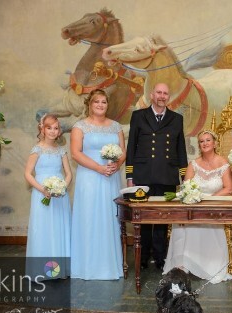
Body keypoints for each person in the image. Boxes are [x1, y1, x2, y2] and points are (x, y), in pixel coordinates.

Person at [126, 83, 188, 271]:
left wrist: (184, 178)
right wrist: (130, 176)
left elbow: (181, 149)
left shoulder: (176, 118)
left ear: (169, 97)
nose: (162, 96)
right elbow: (131, 147)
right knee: (144, 218)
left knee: (163, 219)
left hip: (167, 175)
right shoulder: (138, 116)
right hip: (143, 175)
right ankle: (143, 257)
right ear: (152, 95)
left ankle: (161, 258)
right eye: (159, 92)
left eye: (165, 93)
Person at [163, 130, 232, 284]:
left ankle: (208, 264)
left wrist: (208, 200)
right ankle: (184, 263)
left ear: (215, 143)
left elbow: (229, 189)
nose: (205, 143)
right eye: (201, 141)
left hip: (212, 208)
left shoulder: (223, 163)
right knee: (183, 221)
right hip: (194, 206)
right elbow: (186, 187)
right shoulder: (193, 164)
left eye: (208, 140)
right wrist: (193, 198)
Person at [70, 89, 126, 280]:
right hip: (90, 178)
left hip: (111, 178)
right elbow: (76, 153)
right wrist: (98, 168)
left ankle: (110, 266)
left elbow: (123, 152)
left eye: (104, 102)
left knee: (110, 218)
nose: (101, 105)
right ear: (90, 104)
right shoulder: (80, 126)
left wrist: (116, 165)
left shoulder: (116, 126)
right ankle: (87, 266)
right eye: (97, 102)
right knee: (89, 217)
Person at [24, 114, 72, 279]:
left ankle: (59, 270)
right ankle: (42, 270)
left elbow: (69, 174)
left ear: (59, 132)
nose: (52, 131)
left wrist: (62, 187)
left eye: (56, 128)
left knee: (59, 228)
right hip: (41, 194)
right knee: (43, 229)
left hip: (59, 196)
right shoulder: (36, 149)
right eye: (49, 127)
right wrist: (42, 189)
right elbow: (28, 174)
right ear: (42, 129)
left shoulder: (61, 151)